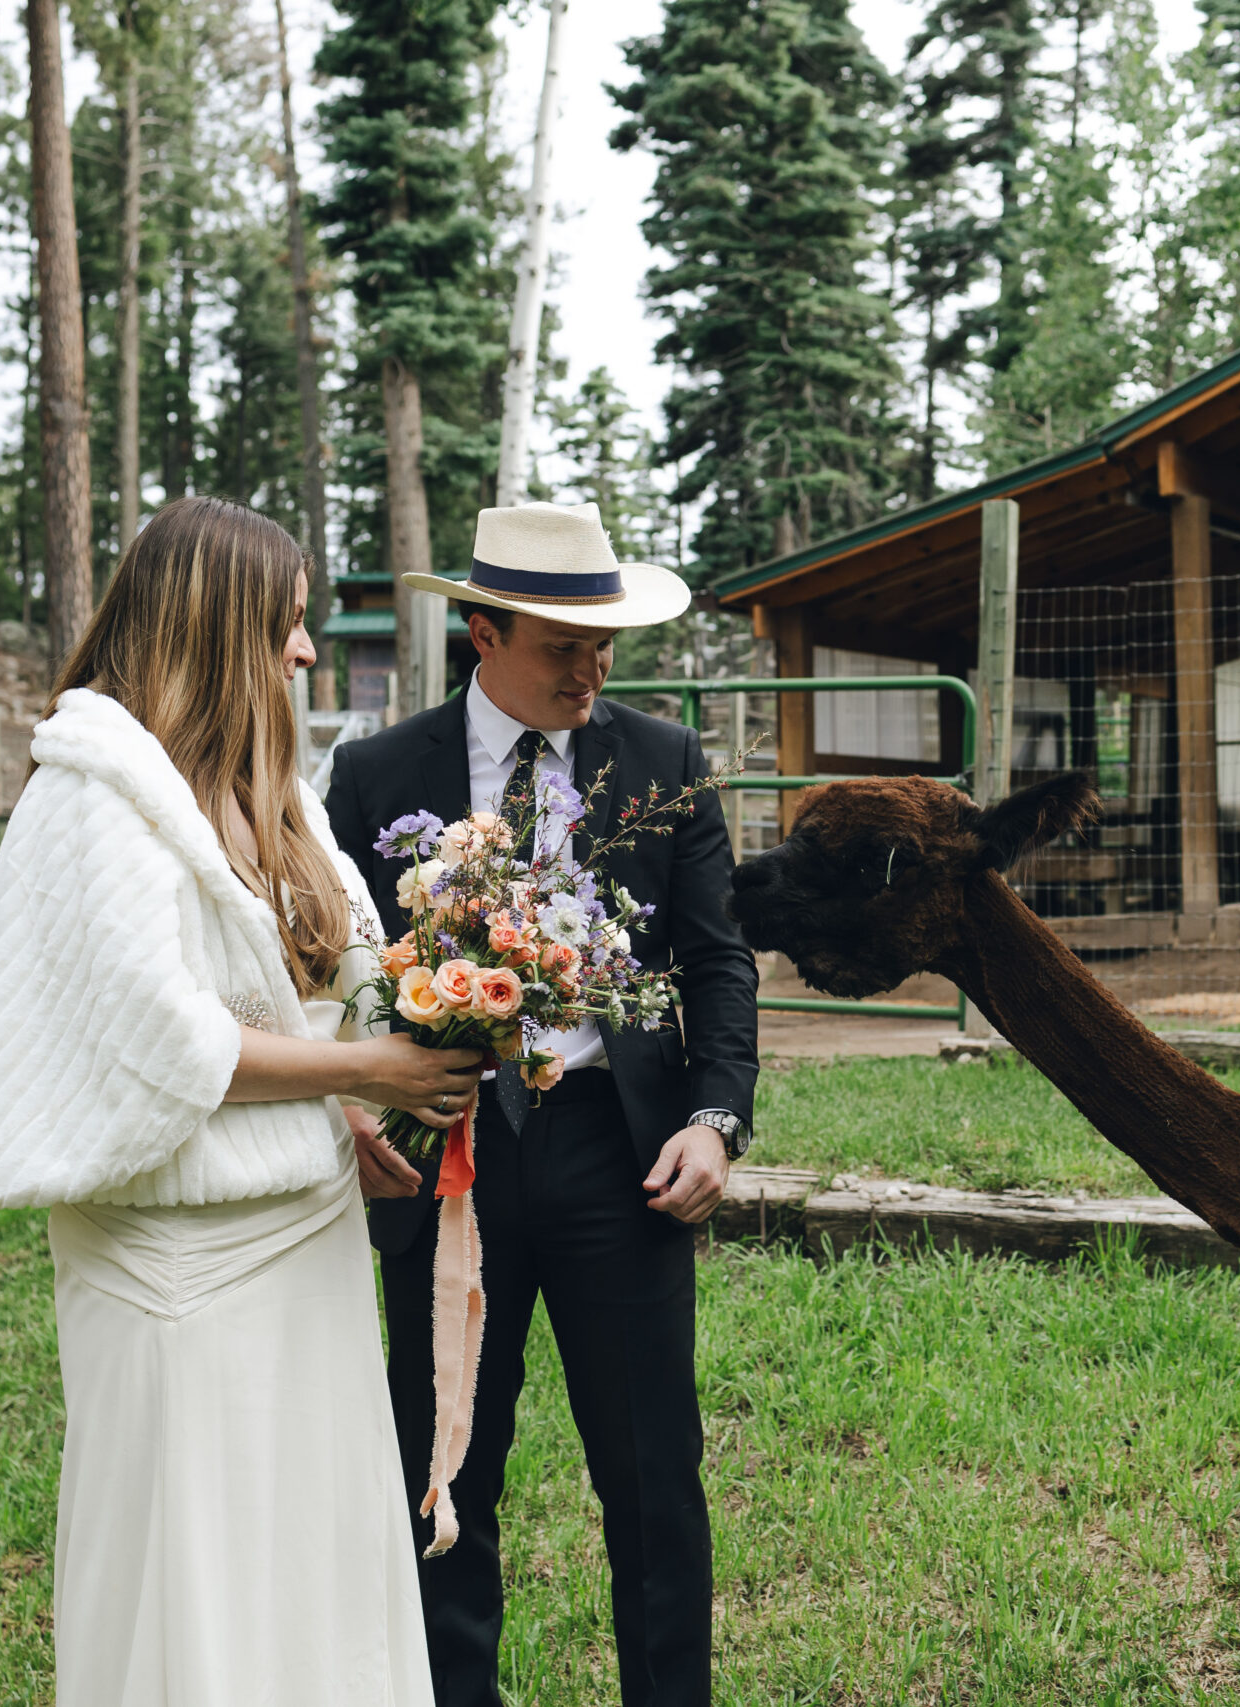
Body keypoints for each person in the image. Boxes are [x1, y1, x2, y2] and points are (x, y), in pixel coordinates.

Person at [0, 495, 486, 1707]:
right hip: (178, 1262)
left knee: (314, 1563)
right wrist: (366, 1072)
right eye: (287, 624)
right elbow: (162, 1030)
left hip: (304, 1241)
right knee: (199, 1567)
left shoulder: (266, 792)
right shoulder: (91, 796)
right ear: (216, 622)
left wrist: (367, 1078)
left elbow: (321, 976)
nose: (303, 650)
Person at [326, 501, 761, 1707]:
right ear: (482, 632)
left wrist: (714, 1119)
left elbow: (719, 961)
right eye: (562, 642)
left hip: (620, 1159)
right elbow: (330, 972)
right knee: (443, 1469)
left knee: (654, 1473)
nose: (592, 666)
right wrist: (352, 1108)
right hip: (437, 1157)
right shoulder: (372, 775)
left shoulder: (664, 764)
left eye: (603, 641)